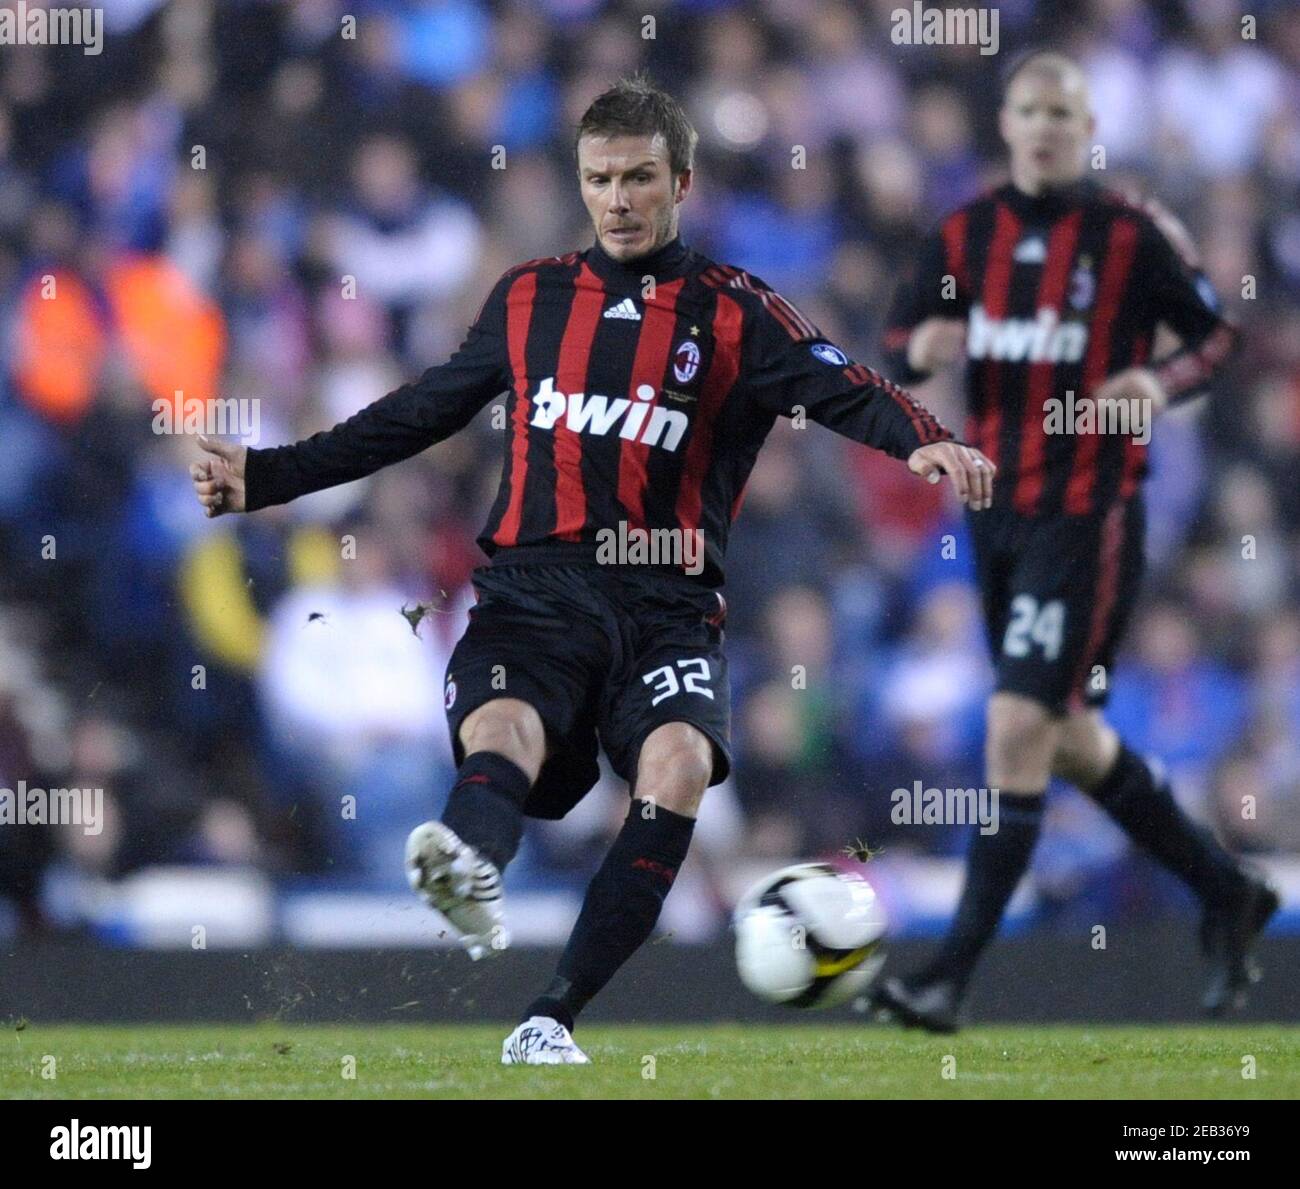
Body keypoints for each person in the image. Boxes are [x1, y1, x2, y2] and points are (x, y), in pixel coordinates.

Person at [191, 75, 994, 1064]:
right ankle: (467, 861)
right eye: (599, 178)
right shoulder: (530, 297)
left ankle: (549, 1016)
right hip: (537, 586)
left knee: (680, 766)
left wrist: (923, 439)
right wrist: (268, 476)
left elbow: (841, 382)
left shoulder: (736, 310)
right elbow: (417, 409)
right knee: (504, 727)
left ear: (681, 182)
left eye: (638, 178)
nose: (617, 198)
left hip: (667, 603)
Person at [875, 50, 1276, 1033]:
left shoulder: (1127, 235)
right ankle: (1227, 890)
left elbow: (1216, 336)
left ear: (1085, 122)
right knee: (1065, 736)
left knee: (1016, 721)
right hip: (995, 513)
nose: (1046, 125)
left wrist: (1159, 383)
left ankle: (948, 978)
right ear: (1006, 123)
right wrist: (916, 350)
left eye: (1063, 110)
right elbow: (895, 336)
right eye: (1029, 109)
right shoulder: (965, 231)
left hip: (1089, 515)